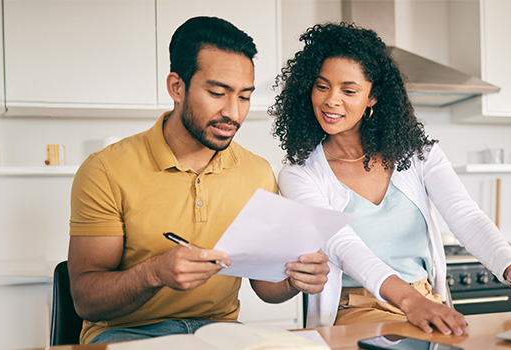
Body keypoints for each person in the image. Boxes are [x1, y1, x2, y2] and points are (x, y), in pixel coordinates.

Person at [270, 22, 511, 336]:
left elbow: (467, 217)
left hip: (427, 301)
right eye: (322, 86)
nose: (331, 100)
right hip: (357, 311)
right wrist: (409, 302)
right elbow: (342, 246)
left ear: (372, 97)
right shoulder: (300, 174)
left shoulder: (418, 155)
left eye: (349, 90)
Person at [67, 16, 329, 344]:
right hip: (126, 334)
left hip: (220, 333)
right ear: (177, 87)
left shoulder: (257, 172)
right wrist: (154, 273)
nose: (233, 112)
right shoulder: (105, 170)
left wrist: (296, 279)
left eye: (244, 97)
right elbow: (85, 300)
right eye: (217, 93)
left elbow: (265, 288)